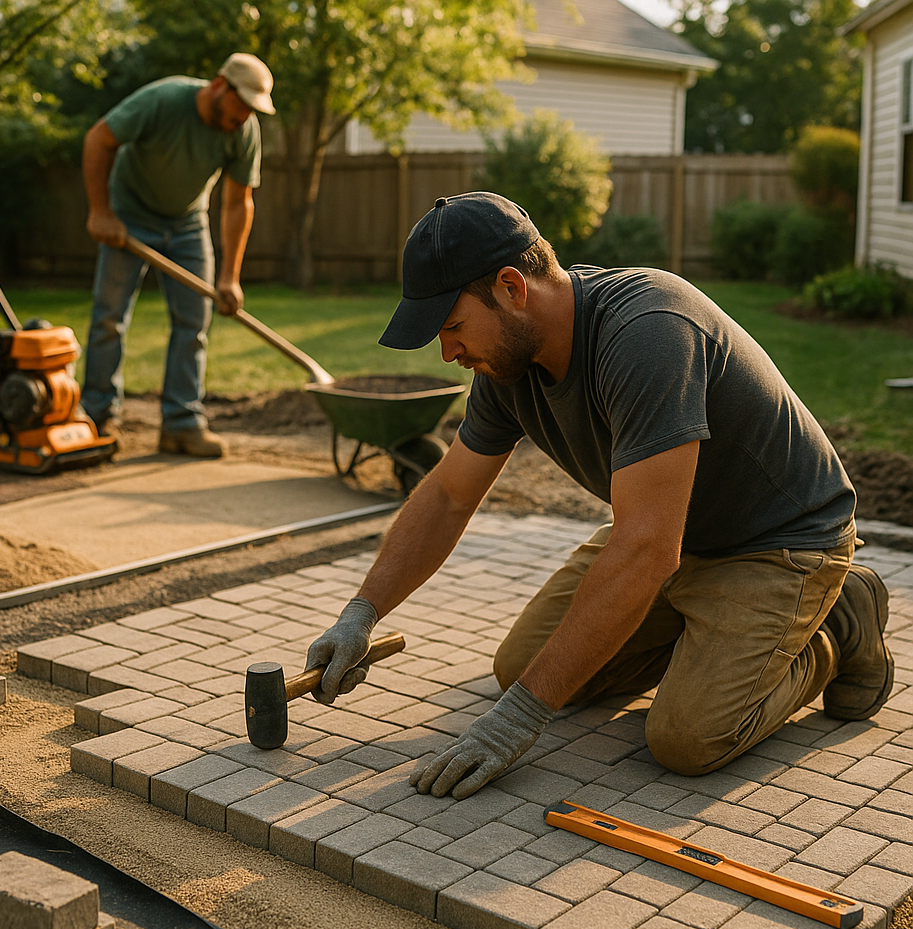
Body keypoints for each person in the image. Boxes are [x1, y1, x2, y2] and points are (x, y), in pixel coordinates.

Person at [303, 191, 894, 801]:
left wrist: (517, 723)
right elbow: (449, 496)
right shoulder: (507, 366)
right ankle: (710, 637)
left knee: (687, 739)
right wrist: (361, 613)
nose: (448, 353)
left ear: (511, 287)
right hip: (669, 534)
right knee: (520, 669)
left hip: (779, 542)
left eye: (452, 327)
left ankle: (835, 623)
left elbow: (646, 549)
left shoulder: (648, 333)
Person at [80, 53, 275, 457]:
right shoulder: (164, 100)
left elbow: (238, 203)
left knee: (193, 323)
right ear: (219, 84)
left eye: (252, 110)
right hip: (129, 215)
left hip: (187, 223)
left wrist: (229, 277)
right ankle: (96, 418)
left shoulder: (243, 131)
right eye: (242, 104)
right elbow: (99, 138)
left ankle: (181, 424)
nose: (244, 116)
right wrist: (101, 212)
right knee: (109, 318)